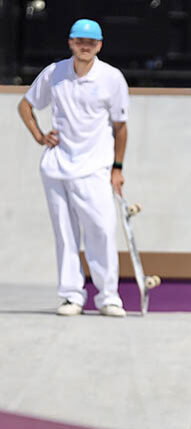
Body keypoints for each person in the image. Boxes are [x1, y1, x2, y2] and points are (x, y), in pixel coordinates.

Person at [17, 19, 130, 317]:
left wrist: (117, 168)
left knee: (103, 231)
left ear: (99, 46)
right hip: (56, 167)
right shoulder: (55, 73)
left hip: (95, 168)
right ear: (70, 42)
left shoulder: (112, 78)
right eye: (80, 41)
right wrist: (40, 135)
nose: (85, 46)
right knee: (65, 235)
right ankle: (71, 296)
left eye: (91, 42)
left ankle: (108, 297)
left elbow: (120, 128)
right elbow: (26, 105)